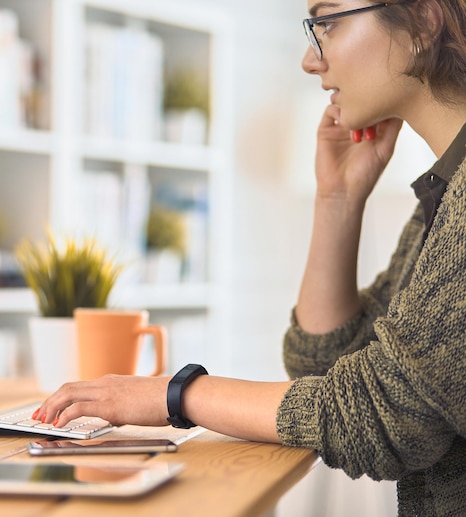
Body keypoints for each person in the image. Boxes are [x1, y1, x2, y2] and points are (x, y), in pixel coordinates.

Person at [34, 0, 466, 514]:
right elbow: (325, 368)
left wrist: (175, 396)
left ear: (422, 20)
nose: (310, 59)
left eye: (326, 22)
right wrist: (337, 200)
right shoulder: (443, 201)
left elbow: (384, 416)